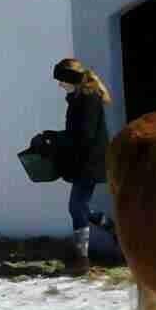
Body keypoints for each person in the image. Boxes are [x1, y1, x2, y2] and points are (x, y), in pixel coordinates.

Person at [50, 58, 110, 276]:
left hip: (89, 162)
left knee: (76, 206)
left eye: (60, 80)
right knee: (80, 206)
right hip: (84, 161)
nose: (59, 85)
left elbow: (84, 136)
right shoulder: (79, 98)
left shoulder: (87, 99)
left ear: (69, 79)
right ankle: (112, 228)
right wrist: (55, 136)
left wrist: (58, 140)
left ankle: (82, 258)